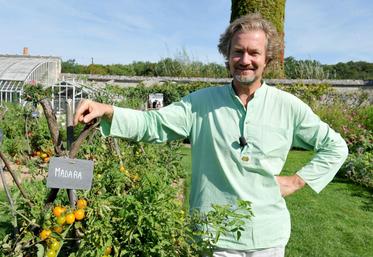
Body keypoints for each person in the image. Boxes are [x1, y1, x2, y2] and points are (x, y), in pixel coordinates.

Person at [74, 13, 348, 257]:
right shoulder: (200, 103)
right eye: (238, 52)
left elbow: (335, 146)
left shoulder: (288, 106)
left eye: (254, 53)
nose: (245, 60)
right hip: (212, 237)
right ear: (227, 56)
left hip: (267, 238)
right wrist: (108, 110)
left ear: (268, 59)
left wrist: (296, 181)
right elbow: (152, 124)